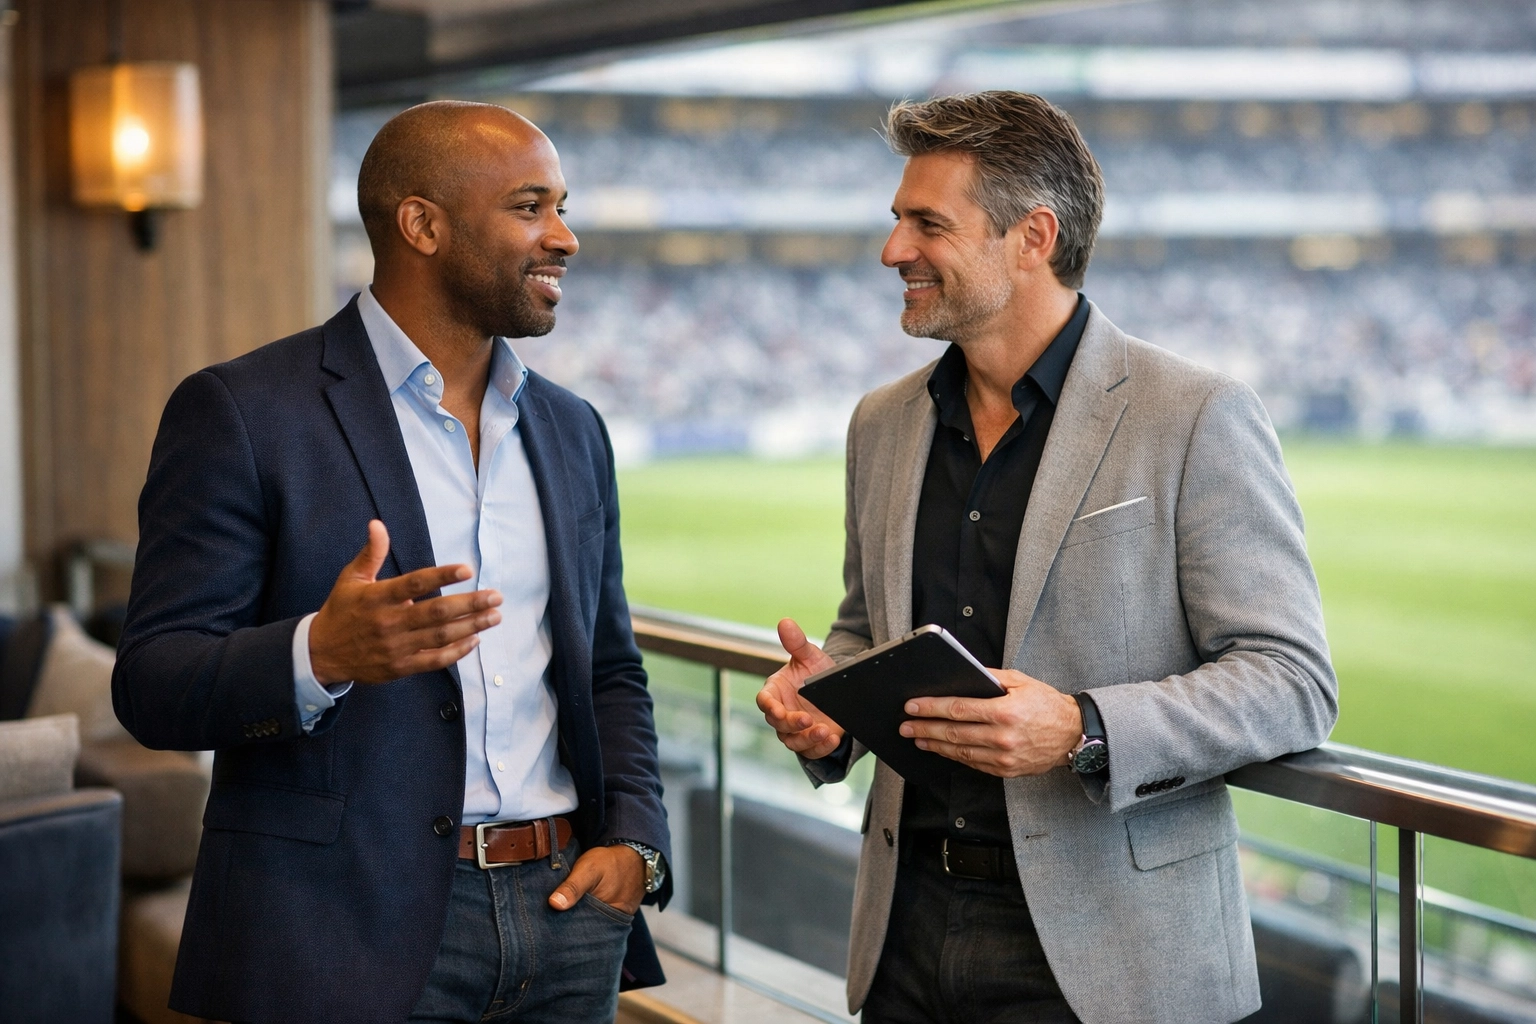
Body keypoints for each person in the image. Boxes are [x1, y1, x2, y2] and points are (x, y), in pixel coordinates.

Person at [757, 91, 1337, 1024]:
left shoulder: (1193, 414)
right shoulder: (882, 422)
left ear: (1033, 237)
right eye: (896, 219)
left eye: (926, 223)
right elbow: (868, 631)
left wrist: (1080, 727)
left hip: (1113, 955)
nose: (892, 250)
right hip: (904, 929)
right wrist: (829, 708)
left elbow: (1293, 681)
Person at [112, 101, 670, 1024]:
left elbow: (610, 667)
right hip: (338, 935)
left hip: (569, 916)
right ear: (422, 224)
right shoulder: (243, 412)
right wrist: (320, 654)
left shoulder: (571, 427)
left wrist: (634, 842)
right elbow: (152, 683)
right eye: (531, 207)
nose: (564, 237)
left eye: (562, 205)